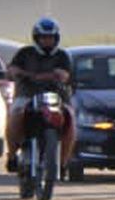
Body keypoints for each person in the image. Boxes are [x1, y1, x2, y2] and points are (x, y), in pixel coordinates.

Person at [4, 17, 75, 174]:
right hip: (26, 96)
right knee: (15, 113)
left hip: (56, 98)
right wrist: (18, 73)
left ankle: (63, 163)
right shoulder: (24, 53)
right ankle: (12, 154)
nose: (47, 41)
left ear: (56, 38)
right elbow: (12, 70)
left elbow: (64, 75)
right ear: (36, 38)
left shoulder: (63, 55)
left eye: (50, 38)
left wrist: (32, 75)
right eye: (44, 38)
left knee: (71, 119)